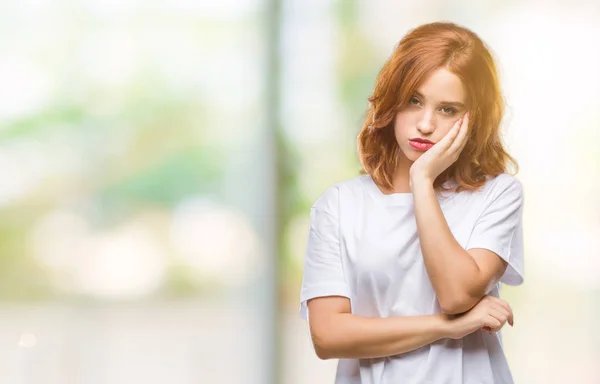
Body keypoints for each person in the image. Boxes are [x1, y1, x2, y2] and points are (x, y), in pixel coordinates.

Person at [299, 21, 525, 384]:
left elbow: (456, 295)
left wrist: (422, 181)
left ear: (474, 119)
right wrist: (445, 327)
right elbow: (327, 336)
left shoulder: (497, 195)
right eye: (414, 101)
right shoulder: (339, 205)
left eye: (448, 109)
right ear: (392, 100)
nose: (425, 124)